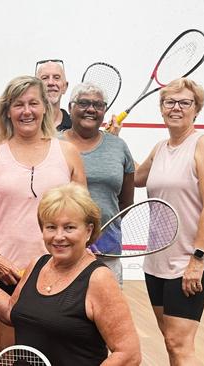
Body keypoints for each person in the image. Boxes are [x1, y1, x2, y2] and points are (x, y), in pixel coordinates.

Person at [0, 183, 141, 365]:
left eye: (69, 227)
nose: (59, 236)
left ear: (89, 230)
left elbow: (128, 354)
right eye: (51, 227)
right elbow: (11, 311)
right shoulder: (37, 264)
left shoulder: (99, 278)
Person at [0, 75, 85, 350]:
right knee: (6, 356)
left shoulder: (68, 152)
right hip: (1, 274)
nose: (26, 111)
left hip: (58, 272)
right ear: (8, 111)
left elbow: (84, 216)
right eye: (18, 104)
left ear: (45, 107)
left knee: (52, 355)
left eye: (33, 103)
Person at [135, 78, 204, 365]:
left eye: (185, 102)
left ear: (196, 109)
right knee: (170, 341)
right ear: (162, 108)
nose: (176, 108)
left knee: (180, 344)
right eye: (170, 102)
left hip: (190, 262)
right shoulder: (160, 148)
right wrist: (112, 141)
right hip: (156, 261)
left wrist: (198, 258)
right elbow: (136, 177)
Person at [60, 82, 135, 285]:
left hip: (107, 253)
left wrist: (101, 227)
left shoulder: (118, 146)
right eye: (83, 103)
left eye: (98, 105)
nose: (91, 109)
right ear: (70, 107)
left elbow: (125, 203)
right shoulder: (54, 144)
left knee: (108, 314)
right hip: (60, 253)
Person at [35, 59, 71, 131]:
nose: (51, 83)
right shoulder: (28, 125)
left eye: (56, 78)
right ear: (35, 87)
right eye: (45, 78)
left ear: (65, 87)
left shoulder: (76, 126)